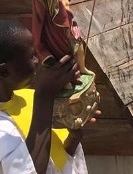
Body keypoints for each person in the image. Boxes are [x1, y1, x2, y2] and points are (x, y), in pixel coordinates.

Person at [0, 20, 88, 174]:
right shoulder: (39, 99)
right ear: (5, 71)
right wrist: (44, 95)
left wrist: (73, 138)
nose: (38, 60)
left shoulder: (28, 97)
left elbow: (54, 164)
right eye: (32, 56)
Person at [31, 0, 101, 76]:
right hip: (56, 25)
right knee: (62, 51)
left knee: (78, 44)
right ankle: (65, 77)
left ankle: (82, 68)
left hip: (69, 20)